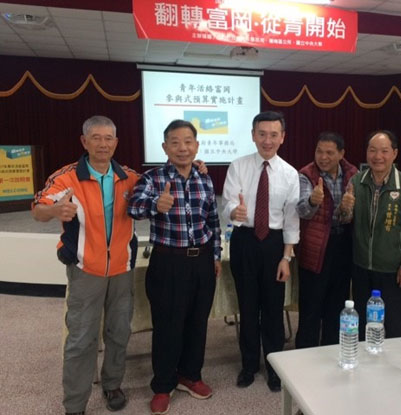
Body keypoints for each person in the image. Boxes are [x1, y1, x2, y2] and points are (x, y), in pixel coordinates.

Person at [31, 115, 139, 415]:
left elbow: (162, 181)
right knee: (81, 338)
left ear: (116, 143)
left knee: (119, 332)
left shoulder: (129, 177)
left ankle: (112, 384)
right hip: (85, 270)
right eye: (96, 138)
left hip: (122, 270)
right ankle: (75, 404)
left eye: (108, 138)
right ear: (84, 141)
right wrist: (55, 210)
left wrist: (196, 166)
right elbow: (38, 210)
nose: (103, 144)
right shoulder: (66, 178)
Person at [127, 120, 221, 415]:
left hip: (202, 260)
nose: (183, 148)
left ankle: (190, 375)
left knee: (197, 322)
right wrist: (156, 204)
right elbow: (132, 207)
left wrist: (216, 255)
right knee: (168, 325)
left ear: (197, 145)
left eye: (188, 141)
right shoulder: (153, 178)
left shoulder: (204, 178)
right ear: (165, 147)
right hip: (168, 261)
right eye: (175, 142)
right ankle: (163, 385)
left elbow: (213, 221)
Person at [222, 111, 299, 392]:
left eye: (273, 135)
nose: (268, 140)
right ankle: (249, 365)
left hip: (274, 245)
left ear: (282, 137)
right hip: (244, 241)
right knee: (248, 306)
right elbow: (228, 203)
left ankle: (275, 367)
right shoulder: (238, 166)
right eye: (262, 134)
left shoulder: (290, 173)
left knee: (273, 309)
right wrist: (235, 211)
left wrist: (286, 257)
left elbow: (291, 220)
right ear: (253, 135)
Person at [348, 130, 401, 339]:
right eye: (372, 150)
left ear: (394, 153)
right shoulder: (356, 182)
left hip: (393, 270)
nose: (377, 156)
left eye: (384, 151)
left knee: (395, 325)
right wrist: (344, 208)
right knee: (362, 326)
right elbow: (345, 219)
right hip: (362, 268)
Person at [295, 131, 358, 348]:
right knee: (311, 306)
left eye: (329, 153)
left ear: (341, 154)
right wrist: (313, 201)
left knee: (337, 303)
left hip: (342, 245)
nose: (323, 157)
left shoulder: (353, 175)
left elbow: (350, 217)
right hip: (314, 247)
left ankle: (332, 349)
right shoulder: (306, 175)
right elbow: (302, 211)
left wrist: (346, 210)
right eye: (319, 151)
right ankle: (305, 353)